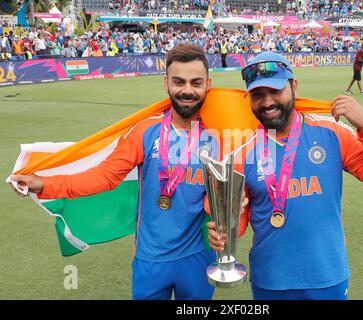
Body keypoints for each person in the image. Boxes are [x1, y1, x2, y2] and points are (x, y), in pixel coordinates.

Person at [9, 43, 218, 300]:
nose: (187, 90)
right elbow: (105, 176)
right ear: (166, 83)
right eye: (179, 81)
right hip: (150, 259)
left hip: (198, 258)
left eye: (196, 82)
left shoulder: (220, 134)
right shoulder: (145, 131)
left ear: (208, 83)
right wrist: (44, 184)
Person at [208, 52, 363, 300]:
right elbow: (238, 226)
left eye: (275, 91)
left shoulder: (332, 133)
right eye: (257, 95)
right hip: (271, 280)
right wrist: (225, 229)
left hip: (327, 275)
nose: (267, 102)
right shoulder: (242, 154)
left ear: (294, 86)